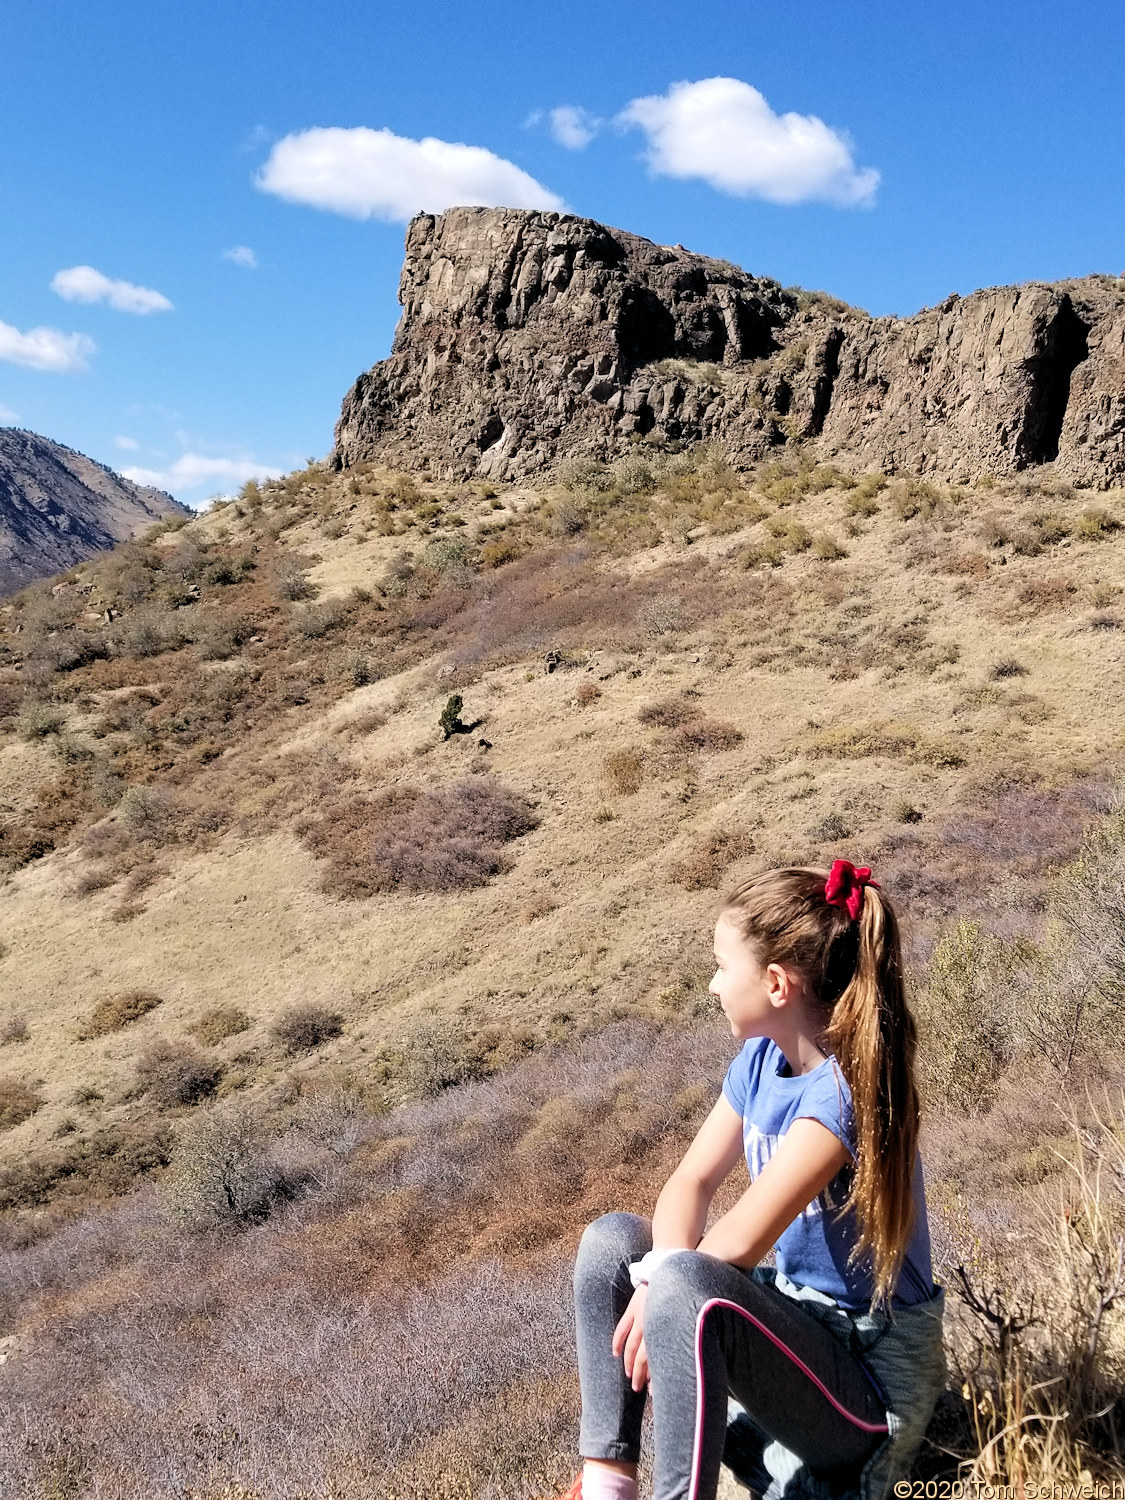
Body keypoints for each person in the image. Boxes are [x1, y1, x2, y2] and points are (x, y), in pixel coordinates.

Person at [554, 861, 946, 1500]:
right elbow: (691, 1181)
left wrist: (665, 1288)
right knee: (612, 1244)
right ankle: (608, 1482)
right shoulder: (764, 1058)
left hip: (870, 1385)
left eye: (721, 966)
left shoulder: (842, 1097)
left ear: (774, 983)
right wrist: (654, 1275)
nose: (711, 984)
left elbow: (741, 1236)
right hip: (804, 1329)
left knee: (685, 1281)